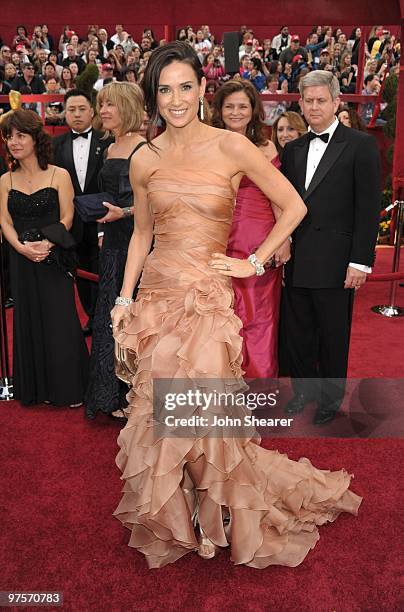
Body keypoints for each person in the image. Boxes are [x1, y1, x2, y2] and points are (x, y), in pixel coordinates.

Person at [111, 42, 361, 570]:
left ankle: (213, 508)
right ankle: (178, 511)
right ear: (153, 96)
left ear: (202, 88)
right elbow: (141, 235)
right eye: (164, 89)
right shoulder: (145, 158)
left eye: (185, 86)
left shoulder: (231, 147)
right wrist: (123, 297)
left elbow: (293, 205)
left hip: (206, 299)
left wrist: (256, 261)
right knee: (161, 409)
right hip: (158, 298)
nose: (175, 99)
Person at [281, 70, 381, 425]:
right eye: (308, 101)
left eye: (321, 100)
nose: (314, 107)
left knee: (333, 334)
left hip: (338, 261)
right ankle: (302, 392)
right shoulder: (292, 149)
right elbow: (286, 205)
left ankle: (329, 398)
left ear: (337, 102)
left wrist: (360, 262)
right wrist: (284, 242)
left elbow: (367, 209)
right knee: (298, 332)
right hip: (297, 259)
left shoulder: (360, 145)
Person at [0, 109, 89, 406]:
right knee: (28, 319)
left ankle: (68, 389)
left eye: (20, 135)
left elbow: (67, 216)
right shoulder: (5, 180)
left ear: (36, 138)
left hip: (53, 258)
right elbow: (4, 222)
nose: (13, 142)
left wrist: (47, 244)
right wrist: (21, 248)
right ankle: (36, 390)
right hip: (21, 260)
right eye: (9, 136)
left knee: (60, 319)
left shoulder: (58, 174)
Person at [212, 79, 289, 378]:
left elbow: (279, 196)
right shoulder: (209, 143)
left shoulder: (265, 146)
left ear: (253, 109)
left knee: (260, 315)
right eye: (229, 106)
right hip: (217, 235)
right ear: (219, 110)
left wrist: (284, 239)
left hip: (259, 238)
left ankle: (258, 389)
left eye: (242, 106)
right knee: (220, 314)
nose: (236, 112)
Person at [85, 81, 146, 420]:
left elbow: (153, 204)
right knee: (111, 315)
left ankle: (138, 395)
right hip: (111, 241)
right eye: (102, 105)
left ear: (127, 107)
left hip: (137, 242)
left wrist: (123, 213)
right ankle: (115, 394)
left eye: (109, 104)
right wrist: (99, 224)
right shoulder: (110, 147)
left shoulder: (145, 148)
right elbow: (106, 195)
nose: (103, 111)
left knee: (135, 316)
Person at [53, 89, 110, 337]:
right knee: (81, 272)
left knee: (104, 271)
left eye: (82, 109)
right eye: (71, 110)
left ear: (92, 111)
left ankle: (105, 317)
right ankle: (91, 315)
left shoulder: (107, 142)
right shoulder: (56, 145)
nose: (76, 114)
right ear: (65, 113)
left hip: (103, 221)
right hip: (72, 222)